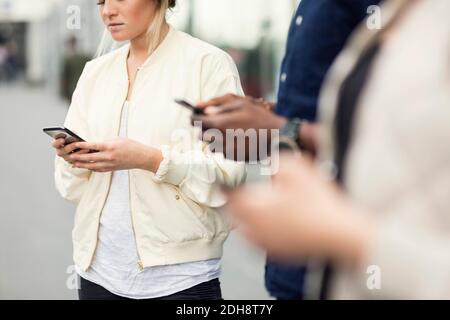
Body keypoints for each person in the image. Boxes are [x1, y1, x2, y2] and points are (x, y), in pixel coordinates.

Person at [227, 0, 450, 299]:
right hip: (324, 267)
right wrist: (269, 117)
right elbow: (375, 125)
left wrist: (281, 128)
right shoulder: (406, 17)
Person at [52, 0, 246, 300]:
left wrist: (152, 160)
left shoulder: (209, 64)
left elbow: (229, 178)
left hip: (181, 282)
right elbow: (71, 189)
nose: (107, 11)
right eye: (101, 1)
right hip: (97, 274)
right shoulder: (95, 73)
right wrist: (74, 159)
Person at [194, 0, 381, 299]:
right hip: (295, 262)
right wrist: (266, 116)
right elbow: (330, 108)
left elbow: (402, 134)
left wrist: (280, 128)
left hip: (350, 262)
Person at [61, 36, 91, 102]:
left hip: (72, 90)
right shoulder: (86, 57)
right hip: (83, 89)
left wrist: (63, 93)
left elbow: (65, 78)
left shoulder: (68, 59)